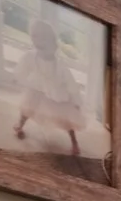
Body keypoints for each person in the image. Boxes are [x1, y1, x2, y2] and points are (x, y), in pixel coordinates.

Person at [8, 15, 90, 158]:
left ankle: (74, 142)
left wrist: (75, 100)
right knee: (27, 108)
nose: (37, 42)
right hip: (36, 90)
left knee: (67, 119)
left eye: (42, 39)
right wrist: (16, 77)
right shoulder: (31, 56)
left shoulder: (60, 64)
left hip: (56, 94)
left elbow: (70, 82)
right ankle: (20, 125)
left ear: (52, 43)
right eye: (34, 37)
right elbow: (23, 67)